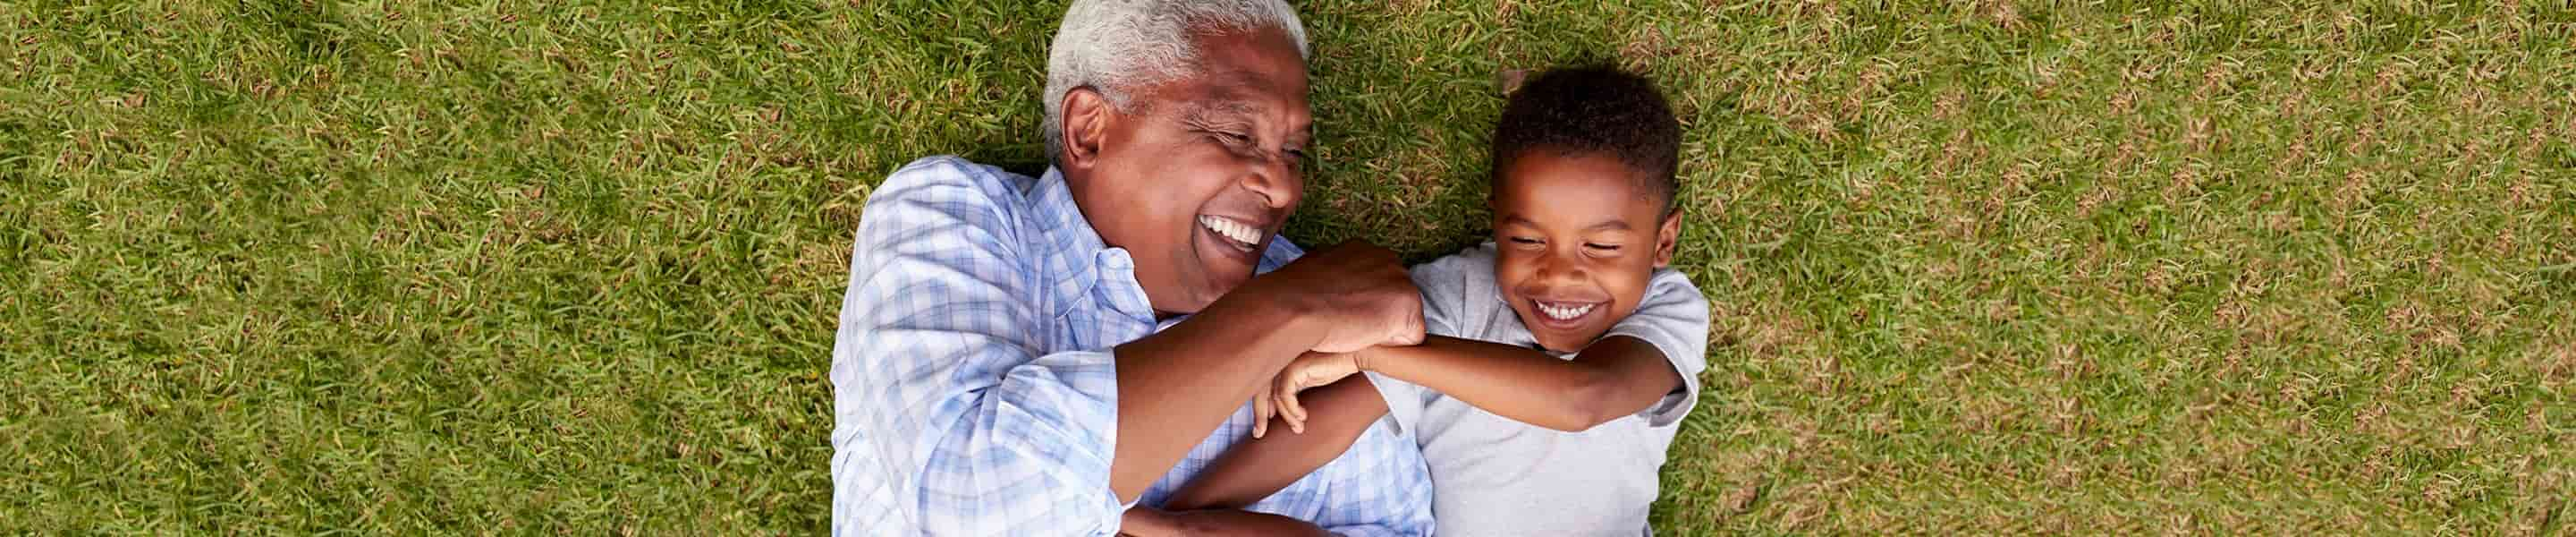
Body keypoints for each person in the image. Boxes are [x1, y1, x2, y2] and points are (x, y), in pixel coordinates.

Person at [827, 1, 1434, 534]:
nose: (1281, 187)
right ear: (1089, 130)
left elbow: (1390, 522)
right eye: (1233, 133)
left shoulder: (1327, 313)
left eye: (1293, 152)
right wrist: (1289, 312)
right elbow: (972, 503)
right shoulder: (950, 216)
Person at [1158, 65, 1712, 536]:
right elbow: (1327, 423)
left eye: (1602, 246)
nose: (1560, 274)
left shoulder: (1665, 311)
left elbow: (1583, 400)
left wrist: (1371, 353)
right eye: (1526, 240)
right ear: (1496, 221)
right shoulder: (1460, 296)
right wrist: (1183, 512)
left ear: (1662, 242)